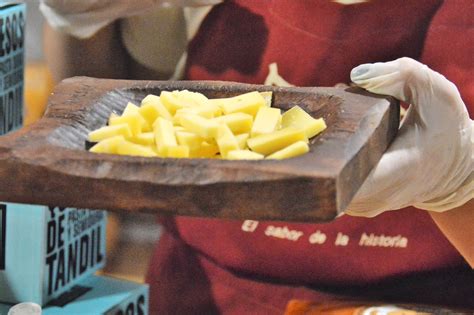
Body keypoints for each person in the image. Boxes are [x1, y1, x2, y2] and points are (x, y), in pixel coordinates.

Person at [39, 1, 473, 313]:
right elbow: (116, 110)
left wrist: (459, 185)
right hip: (199, 292)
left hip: (414, 302)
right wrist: (77, 18)